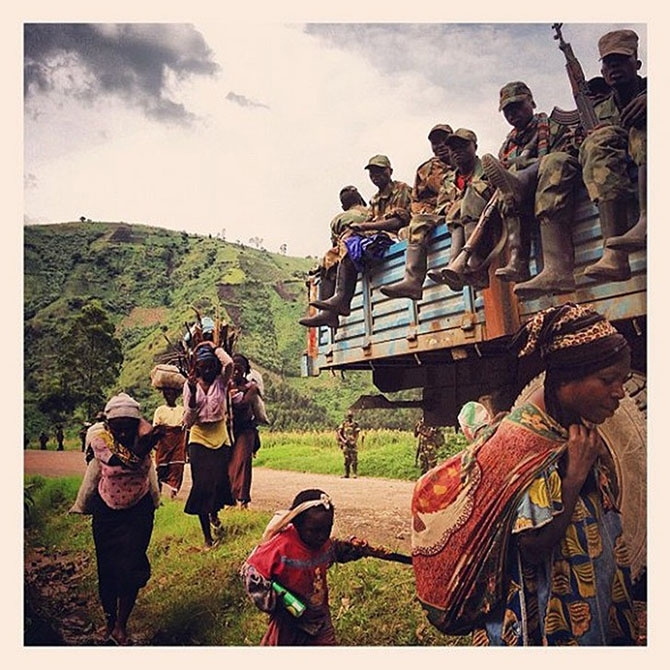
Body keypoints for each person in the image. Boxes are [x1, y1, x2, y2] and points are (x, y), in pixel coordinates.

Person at [411, 303, 639, 645]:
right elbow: (534, 545)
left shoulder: (569, 428)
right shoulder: (528, 444)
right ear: (565, 379)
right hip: (545, 621)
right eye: (608, 381)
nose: (620, 392)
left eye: (623, 381)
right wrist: (574, 477)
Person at [478, 81, 582, 296]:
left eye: (517, 105)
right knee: (505, 193)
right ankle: (519, 261)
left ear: (532, 102)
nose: (512, 113)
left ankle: (556, 269)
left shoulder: (555, 126)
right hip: (526, 202)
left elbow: (568, 155)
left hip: (559, 184)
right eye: (507, 110)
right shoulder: (507, 147)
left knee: (550, 164)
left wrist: (525, 168)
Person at [240, 488, 373, 645]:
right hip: (289, 620)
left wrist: (355, 549)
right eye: (314, 530)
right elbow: (251, 573)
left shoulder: (322, 544)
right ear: (297, 524)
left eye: (327, 528)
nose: (322, 536)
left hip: (319, 618)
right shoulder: (282, 545)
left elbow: (335, 552)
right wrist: (281, 604)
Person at [87, 392, 159, 645]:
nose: (124, 434)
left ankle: (120, 626)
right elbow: (122, 463)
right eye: (118, 428)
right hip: (107, 511)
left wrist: (143, 428)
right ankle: (108, 622)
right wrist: (144, 438)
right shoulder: (100, 440)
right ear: (108, 426)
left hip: (138, 510)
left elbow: (139, 461)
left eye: (129, 428)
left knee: (129, 567)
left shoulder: (143, 436)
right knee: (106, 567)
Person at [309, 155, 411, 318]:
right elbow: (370, 221)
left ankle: (339, 301)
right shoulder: (374, 200)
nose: (375, 175)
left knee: (358, 247)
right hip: (378, 236)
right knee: (347, 247)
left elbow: (397, 222)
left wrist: (364, 227)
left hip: (395, 235)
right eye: (372, 172)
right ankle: (337, 303)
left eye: (379, 170)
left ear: (390, 171)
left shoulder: (401, 189)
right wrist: (350, 233)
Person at [581, 29, 647, 273]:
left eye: (621, 60)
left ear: (637, 63)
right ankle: (615, 256)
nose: (614, 67)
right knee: (595, 142)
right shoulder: (601, 111)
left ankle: (648, 218)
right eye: (608, 63)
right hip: (625, 164)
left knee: (642, 129)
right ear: (602, 72)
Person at [380, 124, 453, 300]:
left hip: (458, 210)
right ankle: (413, 281)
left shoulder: (465, 160)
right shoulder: (428, 169)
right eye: (435, 143)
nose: (440, 145)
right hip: (435, 213)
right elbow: (418, 203)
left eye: (444, 140)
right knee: (418, 223)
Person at [427, 128, 496, 291]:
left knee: (464, 202)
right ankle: (454, 265)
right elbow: (441, 206)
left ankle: (474, 264)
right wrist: (449, 207)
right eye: (453, 149)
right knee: (456, 209)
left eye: (463, 147)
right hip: (459, 222)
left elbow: (498, 192)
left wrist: (461, 201)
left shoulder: (488, 168)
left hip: (488, 221)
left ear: (475, 147)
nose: (457, 152)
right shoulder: (449, 180)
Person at [182, 340, 235, 549]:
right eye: (203, 366)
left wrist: (215, 347)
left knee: (219, 482)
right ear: (197, 367)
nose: (208, 370)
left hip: (219, 436)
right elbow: (188, 420)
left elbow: (229, 363)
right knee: (201, 486)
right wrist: (194, 393)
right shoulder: (189, 385)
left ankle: (215, 514)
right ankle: (207, 538)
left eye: (211, 365)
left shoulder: (222, 382)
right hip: (199, 437)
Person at [299, 186, 370, 329]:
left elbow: (335, 243)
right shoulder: (371, 211)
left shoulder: (339, 219)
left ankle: (328, 313)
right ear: (360, 199)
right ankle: (331, 311)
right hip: (367, 245)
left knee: (329, 259)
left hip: (353, 249)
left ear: (343, 205)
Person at [227, 353, 261, 509]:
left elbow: (243, 404)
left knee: (242, 462)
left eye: (239, 369)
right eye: (233, 369)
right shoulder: (226, 386)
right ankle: (229, 498)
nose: (235, 373)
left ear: (244, 371)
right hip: (229, 429)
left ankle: (242, 499)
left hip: (246, 430)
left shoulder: (251, 387)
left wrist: (230, 396)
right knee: (228, 464)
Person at [152, 385, 187, 500]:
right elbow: (156, 428)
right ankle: (159, 493)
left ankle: (173, 493)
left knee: (177, 467)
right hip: (164, 442)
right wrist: (156, 444)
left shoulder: (182, 410)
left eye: (172, 394)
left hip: (178, 441)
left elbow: (185, 426)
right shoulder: (160, 410)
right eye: (167, 394)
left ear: (177, 395)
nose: (169, 396)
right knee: (161, 468)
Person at [336, 410, 361, 478]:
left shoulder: (355, 424)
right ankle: (347, 473)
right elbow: (339, 432)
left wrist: (355, 441)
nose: (349, 417)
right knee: (347, 459)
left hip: (352, 443)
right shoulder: (344, 424)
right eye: (348, 416)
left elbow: (357, 433)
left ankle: (355, 473)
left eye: (351, 416)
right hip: (346, 443)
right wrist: (343, 440)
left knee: (354, 459)